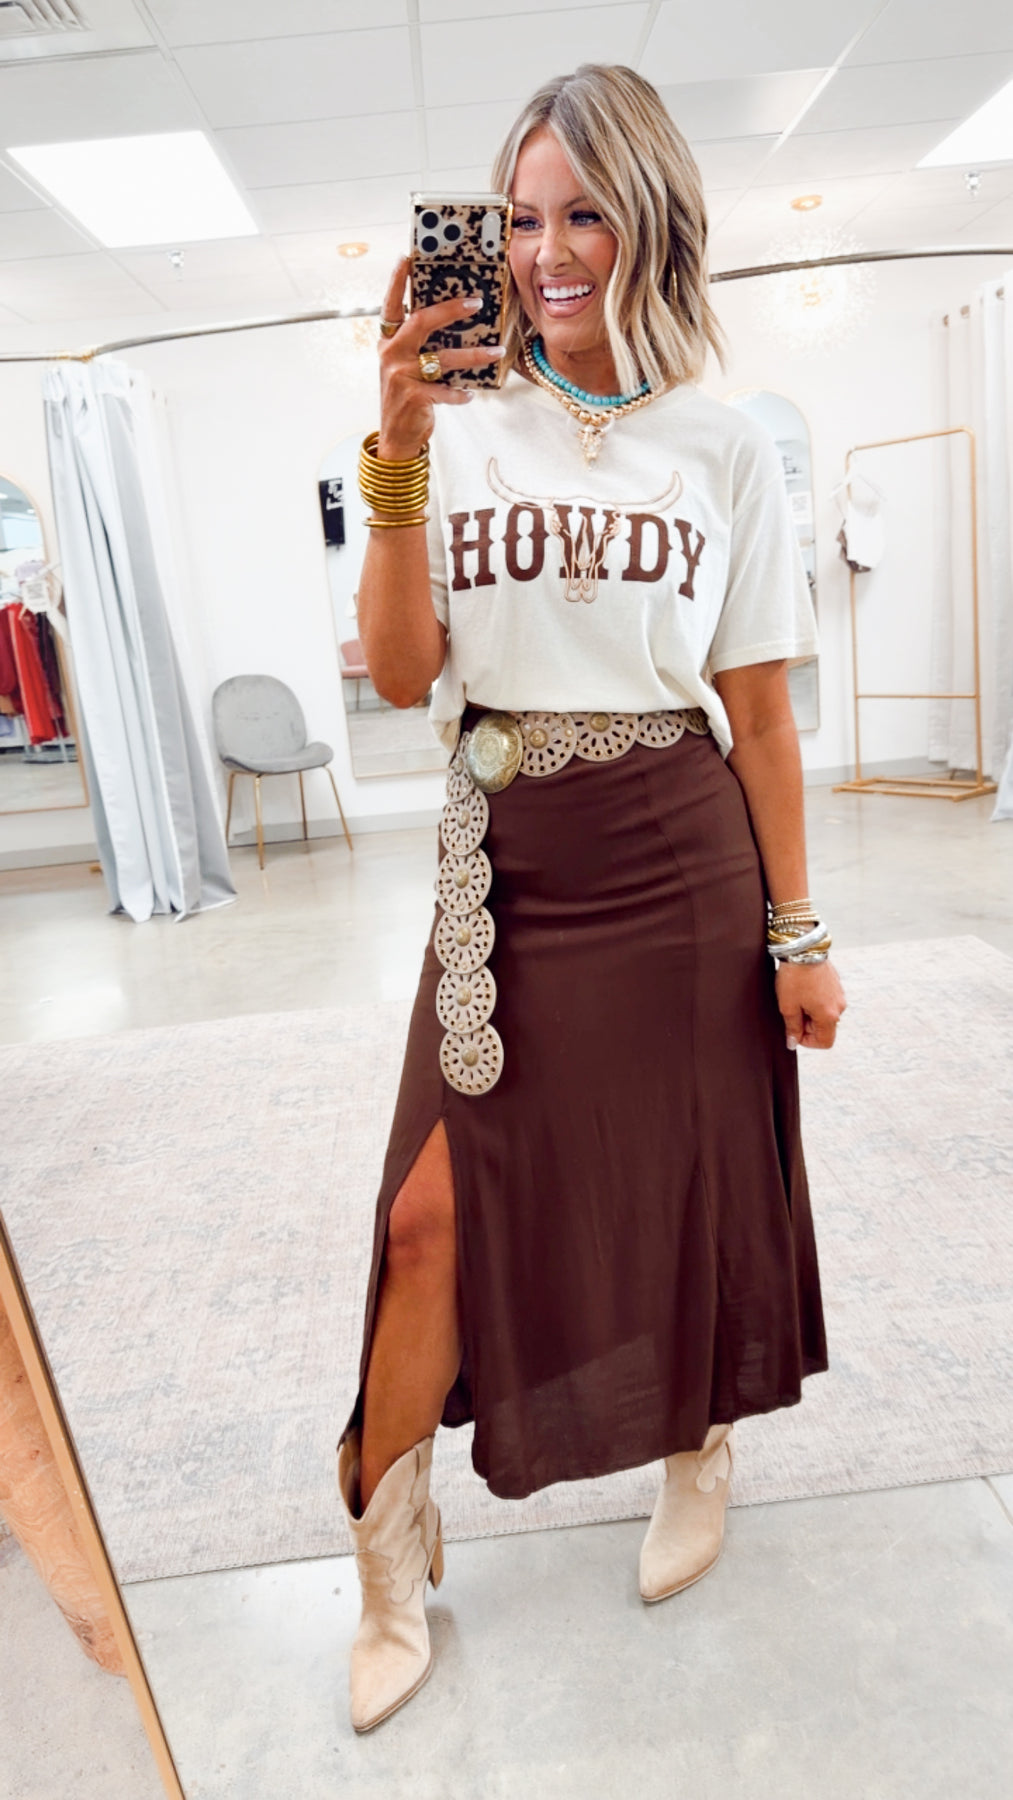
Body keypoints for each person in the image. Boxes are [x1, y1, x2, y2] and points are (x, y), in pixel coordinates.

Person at [337, 62, 846, 1735]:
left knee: (687, 1177)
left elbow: (757, 712)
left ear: (651, 220)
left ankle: (698, 1443)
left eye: (583, 215)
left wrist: (796, 932)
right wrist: (397, 454)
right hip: (507, 868)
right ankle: (386, 1557)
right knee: (429, 1219)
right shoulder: (451, 426)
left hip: (679, 857)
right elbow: (400, 669)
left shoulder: (722, 442)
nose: (547, 252)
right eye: (520, 219)